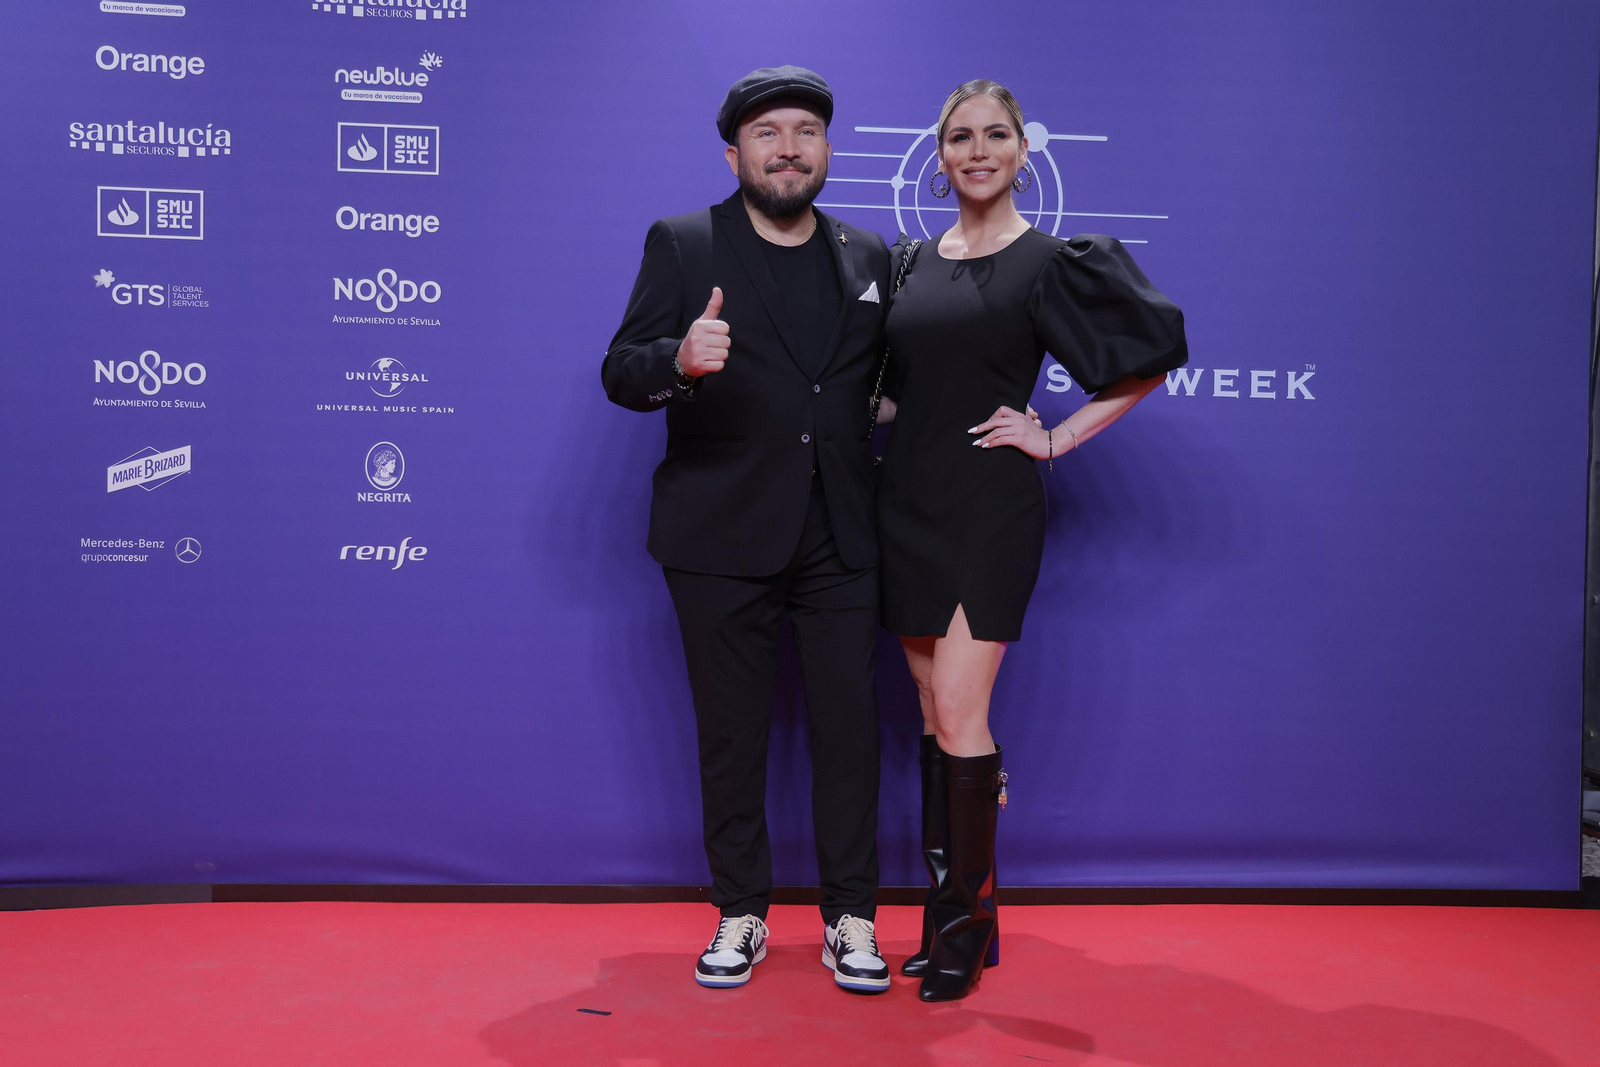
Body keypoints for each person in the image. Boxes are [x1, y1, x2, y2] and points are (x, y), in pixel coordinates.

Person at [876, 79, 1189, 1002]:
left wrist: (1055, 436)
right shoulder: (905, 264)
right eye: (960, 137)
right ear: (939, 156)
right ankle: (955, 917)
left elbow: (1150, 361)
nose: (977, 150)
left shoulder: (1052, 261)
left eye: (995, 135)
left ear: (1022, 151)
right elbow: (900, 392)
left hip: (990, 508)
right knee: (935, 717)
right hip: (905, 504)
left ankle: (964, 931)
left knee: (964, 714)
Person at [603, 66, 895, 994]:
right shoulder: (686, 242)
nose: (788, 146)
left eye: (806, 129)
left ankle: (852, 916)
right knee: (731, 734)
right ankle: (740, 912)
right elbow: (620, 369)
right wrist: (680, 362)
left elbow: (873, 385)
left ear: (827, 148)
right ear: (735, 151)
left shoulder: (868, 253)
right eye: (768, 132)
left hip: (841, 533)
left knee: (850, 731)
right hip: (720, 532)